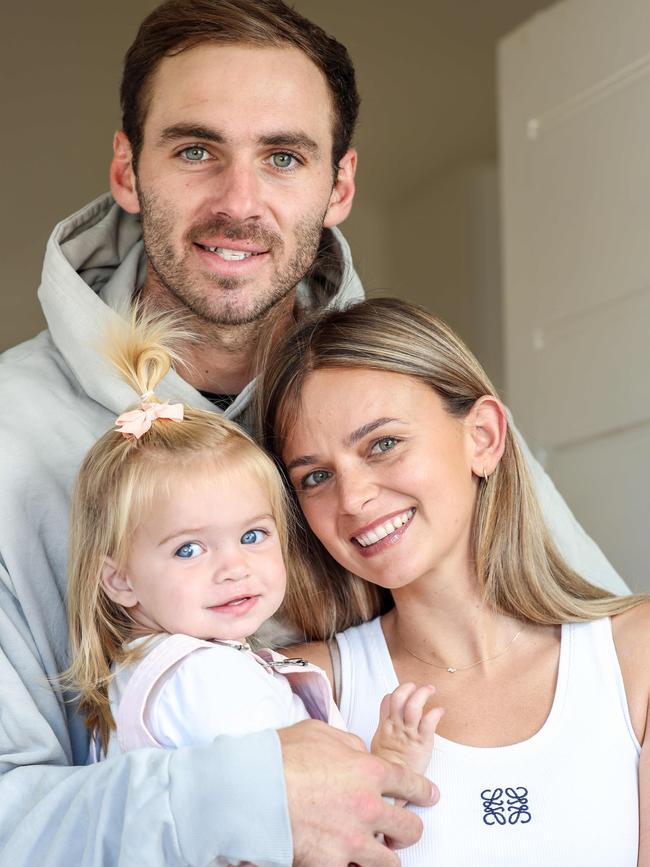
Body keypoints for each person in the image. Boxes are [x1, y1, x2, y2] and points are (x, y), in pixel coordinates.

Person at [0, 0, 626, 863]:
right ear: (126, 168)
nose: (238, 203)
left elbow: (586, 660)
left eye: (284, 157)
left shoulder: (410, 398)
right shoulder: (9, 438)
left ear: (339, 187)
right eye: (194, 150)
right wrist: (242, 796)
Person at [255, 296, 649, 866]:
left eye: (383, 444)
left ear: (483, 437)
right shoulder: (303, 692)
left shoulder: (633, 659)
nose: (354, 497)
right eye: (316, 476)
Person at [64, 309, 441, 790]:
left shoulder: (147, 675)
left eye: (252, 536)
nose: (233, 569)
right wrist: (393, 769)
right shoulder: (207, 683)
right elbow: (314, 826)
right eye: (188, 550)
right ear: (119, 580)